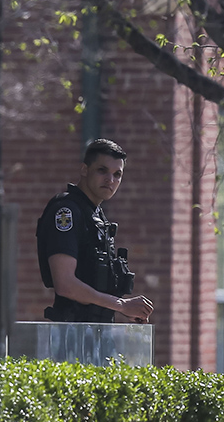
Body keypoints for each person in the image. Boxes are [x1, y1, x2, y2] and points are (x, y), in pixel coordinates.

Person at [37, 138, 154, 323]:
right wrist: (122, 305)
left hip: (97, 331)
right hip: (71, 333)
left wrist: (128, 311)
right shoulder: (67, 211)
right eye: (102, 170)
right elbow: (65, 284)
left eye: (118, 174)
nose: (110, 180)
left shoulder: (95, 215)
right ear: (84, 170)